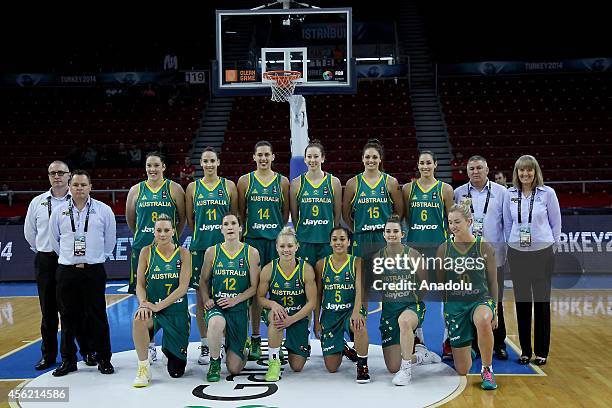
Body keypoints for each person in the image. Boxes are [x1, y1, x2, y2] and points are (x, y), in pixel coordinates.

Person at [24, 161, 94, 370]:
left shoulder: (79, 201)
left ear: (69, 175)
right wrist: (43, 249)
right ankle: (49, 355)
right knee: (48, 311)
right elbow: (30, 232)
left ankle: (86, 351)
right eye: (53, 173)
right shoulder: (37, 202)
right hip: (46, 260)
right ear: (48, 176)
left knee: (76, 309)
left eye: (61, 173)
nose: (57, 176)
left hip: (71, 262)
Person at [49, 170, 116, 376]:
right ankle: (69, 360)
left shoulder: (103, 210)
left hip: (93, 271)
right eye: (76, 185)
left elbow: (110, 241)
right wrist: (71, 260)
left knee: (97, 316)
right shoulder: (59, 211)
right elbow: (55, 241)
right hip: (67, 271)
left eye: (83, 185)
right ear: (69, 186)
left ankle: (104, 358)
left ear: (90, 187)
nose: (79, 188)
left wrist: (94, 259)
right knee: (68, 318)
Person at [126, 152, 185, 362]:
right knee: (143, 294)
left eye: (156, 165)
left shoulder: (174, 189)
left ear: (164, 167)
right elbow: (131, 220)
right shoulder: (136, 190)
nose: (152, 169)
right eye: (149, 165)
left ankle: (175, 335)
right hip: (144, 248)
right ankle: (149, 344)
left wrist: (167, 237)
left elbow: (182, 218)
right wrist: (146, 238)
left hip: (169, 250)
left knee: (174, 291)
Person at [503, 155, 561, 366]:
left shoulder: (548, 194)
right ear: (516, 173)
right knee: (523, 302)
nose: (525, 174)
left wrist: (551, 248)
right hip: (518, 254)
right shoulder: (509, 195)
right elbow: (508, 224)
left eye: (529, 170)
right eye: (521, 170)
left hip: (542, 254)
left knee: (542, 303)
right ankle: (526, 351)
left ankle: (542, 351)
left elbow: (556, 224)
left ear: (536, 172)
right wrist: (512, 246)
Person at [435, 198, 499, 390]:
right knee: (462, 369)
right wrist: (446, 311)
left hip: (480, 300)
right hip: (456, 305)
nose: (453, 226)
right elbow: (441, 283)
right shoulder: (444, 248)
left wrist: (494, 309)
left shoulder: (483, 246)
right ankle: (469, 349)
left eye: (457, 222)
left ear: (469, 222)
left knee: (483, 319)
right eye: (450, 222)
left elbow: (493, 281)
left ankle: (487, 369)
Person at [237, 141, 290, 361]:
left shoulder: (282, 182)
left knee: (278, 292)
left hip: (275, 244)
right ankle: (256, 337)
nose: (263, 158)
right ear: (254, 157)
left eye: (267, 154)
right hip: (253, 242)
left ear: (273, 157)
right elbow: (241, 212)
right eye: (260, 155)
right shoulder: (245, 181)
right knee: (254, 293)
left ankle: (281, 337)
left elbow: (285, 212)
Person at [185, 147, 238, 365]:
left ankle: (224, 341)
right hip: (200, 247)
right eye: (204, 161)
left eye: (212, 161)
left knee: (224, 294)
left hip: (224, 249)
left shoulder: (228, 186)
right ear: (201, 163)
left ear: (218, 162)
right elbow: (190, 220)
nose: (208, 164)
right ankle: (206, 344)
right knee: (201, 297)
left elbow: (234, 216)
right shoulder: (192, 188)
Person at [454, 155, 509, 360]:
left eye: (479, 168)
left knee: (497, 300)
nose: (475, 172)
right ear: (466, 172)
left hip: (494, 255)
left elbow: (508, 222)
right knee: (471, 299)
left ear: (487, 170)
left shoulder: (501, 192)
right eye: (471, 169)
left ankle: (499, 343)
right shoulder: (459, 193)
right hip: (468, 257)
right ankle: (475, 344)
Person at [376, 215, 439, 386]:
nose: (392, 234)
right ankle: (420, 355)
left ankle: (406, 371)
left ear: (402, 234)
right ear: (383, 234)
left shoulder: (413, 255)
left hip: (411, 306)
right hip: (389, 310)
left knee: (404, 321)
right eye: (388, 231)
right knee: (391, 367)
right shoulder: (377, 257)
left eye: (395, 231)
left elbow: (424, 284)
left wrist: (410, 297)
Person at [199, 212, 261, 382]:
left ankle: (243, 350)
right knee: (216, 322)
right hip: (218, 306)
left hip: (238, 309)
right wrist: (206, 299)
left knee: (234, 369)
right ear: (221, 229)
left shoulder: (251, 252)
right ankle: (215, 361)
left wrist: (236, 299)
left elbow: (254, 287)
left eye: (233, 223)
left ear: (240, 228)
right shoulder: (212, 252)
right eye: (226, 224)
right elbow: (203, 281)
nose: (230, 227)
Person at [402, 150, 454, 354]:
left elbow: (451, 221)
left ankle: (448, 338)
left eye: (428, 163)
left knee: (447, 294)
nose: (425, 166)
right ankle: (417, 336)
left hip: (439, 249)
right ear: (418, 165)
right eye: (422, 163)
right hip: (415, 248)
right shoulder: (408, 189)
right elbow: (406, 217)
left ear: (435, 165)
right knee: (415, 294)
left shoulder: (445, 189)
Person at [132, 214, 191, 387]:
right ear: (154, 232)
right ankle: (143, 368)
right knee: (139, 319)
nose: (162, 234)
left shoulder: (183, 253)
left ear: (173, 232)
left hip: (176, 312)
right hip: (154, 310)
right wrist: (143, 303)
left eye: (166, 230)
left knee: (176, 372)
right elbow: (140, 285)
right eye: (159, 230)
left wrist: (158, 306)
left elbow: (183, 288)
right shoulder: (146, 252)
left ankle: (169, 348)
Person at [256, 226, 317, 381]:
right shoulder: (269, 269)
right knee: (277, 318)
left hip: (298, 315)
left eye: (290, 246)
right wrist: (273, 304)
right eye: (282, 246)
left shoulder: (306, 269)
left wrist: (292, 319)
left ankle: (301, 339)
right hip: (277, 313)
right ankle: (274, 361)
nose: (286, 250)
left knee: (297, 366)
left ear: (297, 247)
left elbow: (312, 303)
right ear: (277, 248)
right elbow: (260, 298)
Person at [314, 227, 371, 383]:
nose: (338, 242)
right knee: (332, 368)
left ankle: (362, 365)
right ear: (330, 242)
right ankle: (342, 346)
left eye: (342, 239)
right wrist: (316, 321)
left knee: (359, 325)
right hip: (330, 315)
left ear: (349, 242)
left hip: (349, 312)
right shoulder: (321, 264)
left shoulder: (357, 262)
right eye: (335, 239)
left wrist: (357, 312)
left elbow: (360, 290)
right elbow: (318, 295)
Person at [342, 139, 403, 258]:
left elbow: (399, 212)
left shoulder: (390, 182)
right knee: (362, 273)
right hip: (361, 236)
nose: (371, 160)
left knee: (385, 273)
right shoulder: (352, 183)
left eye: (375, 157)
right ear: (362, 158)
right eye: (367, 157)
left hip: (384, 236)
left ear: (380, 159)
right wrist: (357, 228)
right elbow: (345, 214)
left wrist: (390, 230)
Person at [290, 140, 342, 265]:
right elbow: (294, 215)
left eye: (316, 156)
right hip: (305, 239)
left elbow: (337, 214)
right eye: (309, 157)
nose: (312, 160)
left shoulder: (334, 182)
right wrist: (302, 231)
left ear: (323, 158)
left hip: (326, 239)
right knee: (306, 276)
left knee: (326, 277)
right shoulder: (296, 183)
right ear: (304, 159)